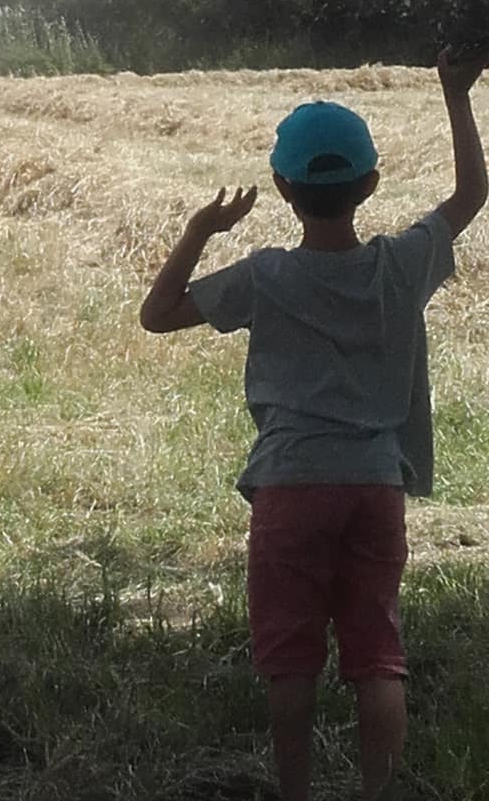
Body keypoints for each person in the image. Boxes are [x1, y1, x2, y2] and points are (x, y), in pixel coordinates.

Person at [139, 49, 489, 801]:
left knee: (291, 661)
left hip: (290, 487)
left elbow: (156, 315)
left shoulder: (266, 273)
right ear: (371, 183)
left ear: (281, 188)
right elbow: (470, 194)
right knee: (378, 657)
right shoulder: (402, 264)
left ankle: (294, 792)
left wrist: (202, 228)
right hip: (374, 484)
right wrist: (456, 95)